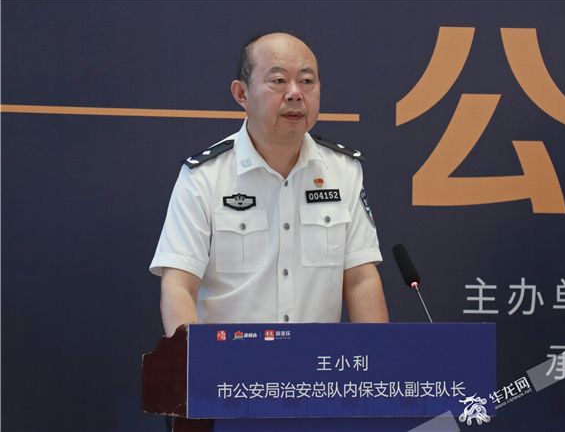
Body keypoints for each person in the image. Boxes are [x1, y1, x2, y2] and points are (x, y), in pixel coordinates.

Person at [150, 32, 389, 336]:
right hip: (229, 360)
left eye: (306, 81)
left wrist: (377, 357)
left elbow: (361, 280)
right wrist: (198, 360)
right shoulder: (204, 176)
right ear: (241, 93)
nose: (295, 94)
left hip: (316, 360)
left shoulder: (343, 170)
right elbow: (178, 287)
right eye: (278, 81)